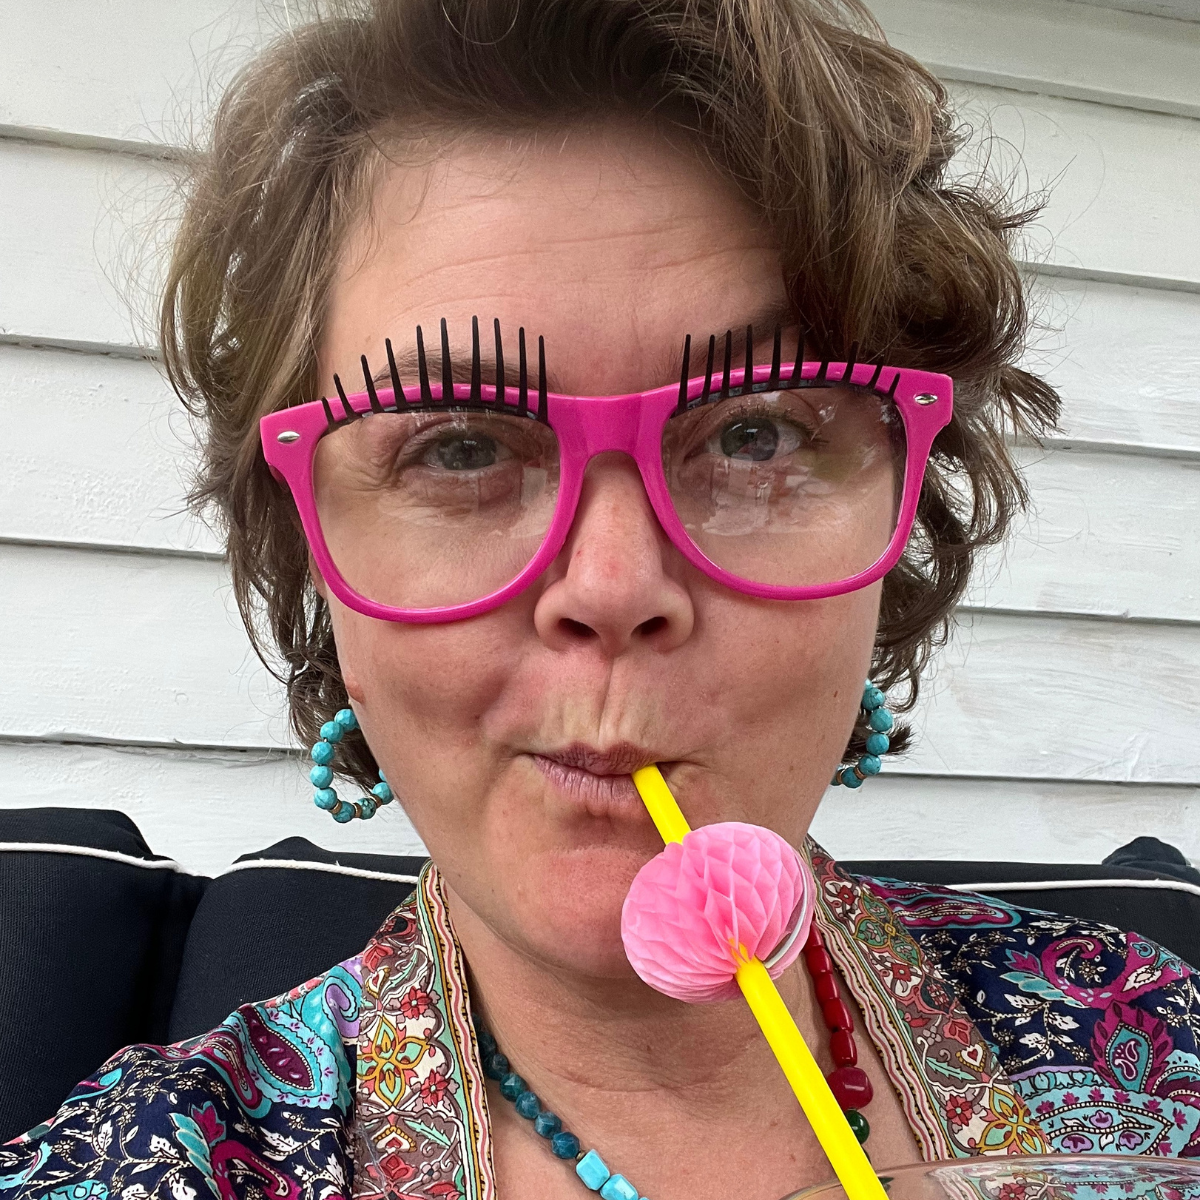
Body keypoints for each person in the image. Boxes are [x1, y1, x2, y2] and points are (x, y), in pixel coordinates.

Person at [2, 0, 1197, 1196]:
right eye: (461, 448)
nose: (615, 588)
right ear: (312, 553)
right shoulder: (145, 1168)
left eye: (758, 434)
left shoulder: (1159, 1049)